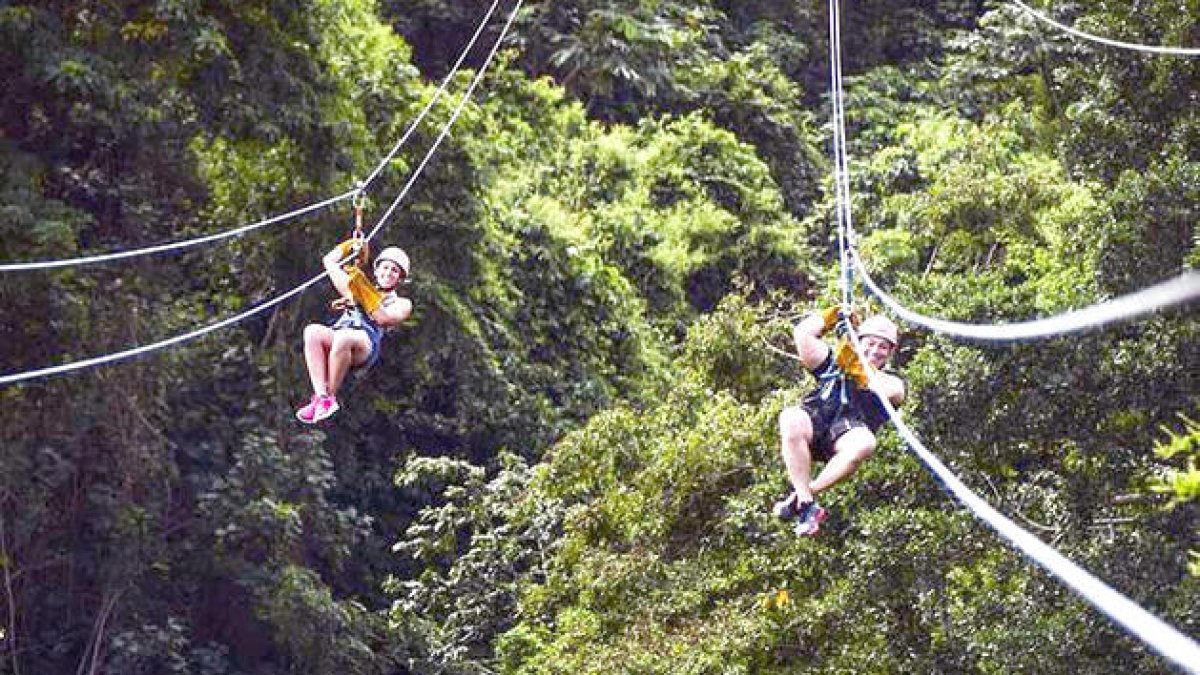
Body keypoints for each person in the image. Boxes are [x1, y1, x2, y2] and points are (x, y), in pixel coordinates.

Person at [773, 306, 905, 535]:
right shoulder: (835, 363)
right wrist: (831, 317)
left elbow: (887, 390)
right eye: (870, 343)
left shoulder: (892, 381)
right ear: (859, 341)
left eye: (883, 347)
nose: (875, 350)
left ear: (890, 353)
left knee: (865, 442)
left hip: (846, 434)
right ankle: (805, 503)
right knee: (790, 417)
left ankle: (806, 494)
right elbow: (803, 335)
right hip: (814, 424)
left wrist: (858, 368)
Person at [295, 239, 413, 423]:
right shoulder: (356, 287)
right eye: (385, 268)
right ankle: (320, 396)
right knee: (312, 332)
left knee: (344, 338)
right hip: (342, 332)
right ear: (376, 270)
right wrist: (348, 246)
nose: (388, 273)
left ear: (399, 278)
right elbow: (329, 262)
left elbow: (383, 318)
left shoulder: (401, 303)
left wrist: (363, 293)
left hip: (365, 343)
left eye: (394, 271)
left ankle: (330, 398)